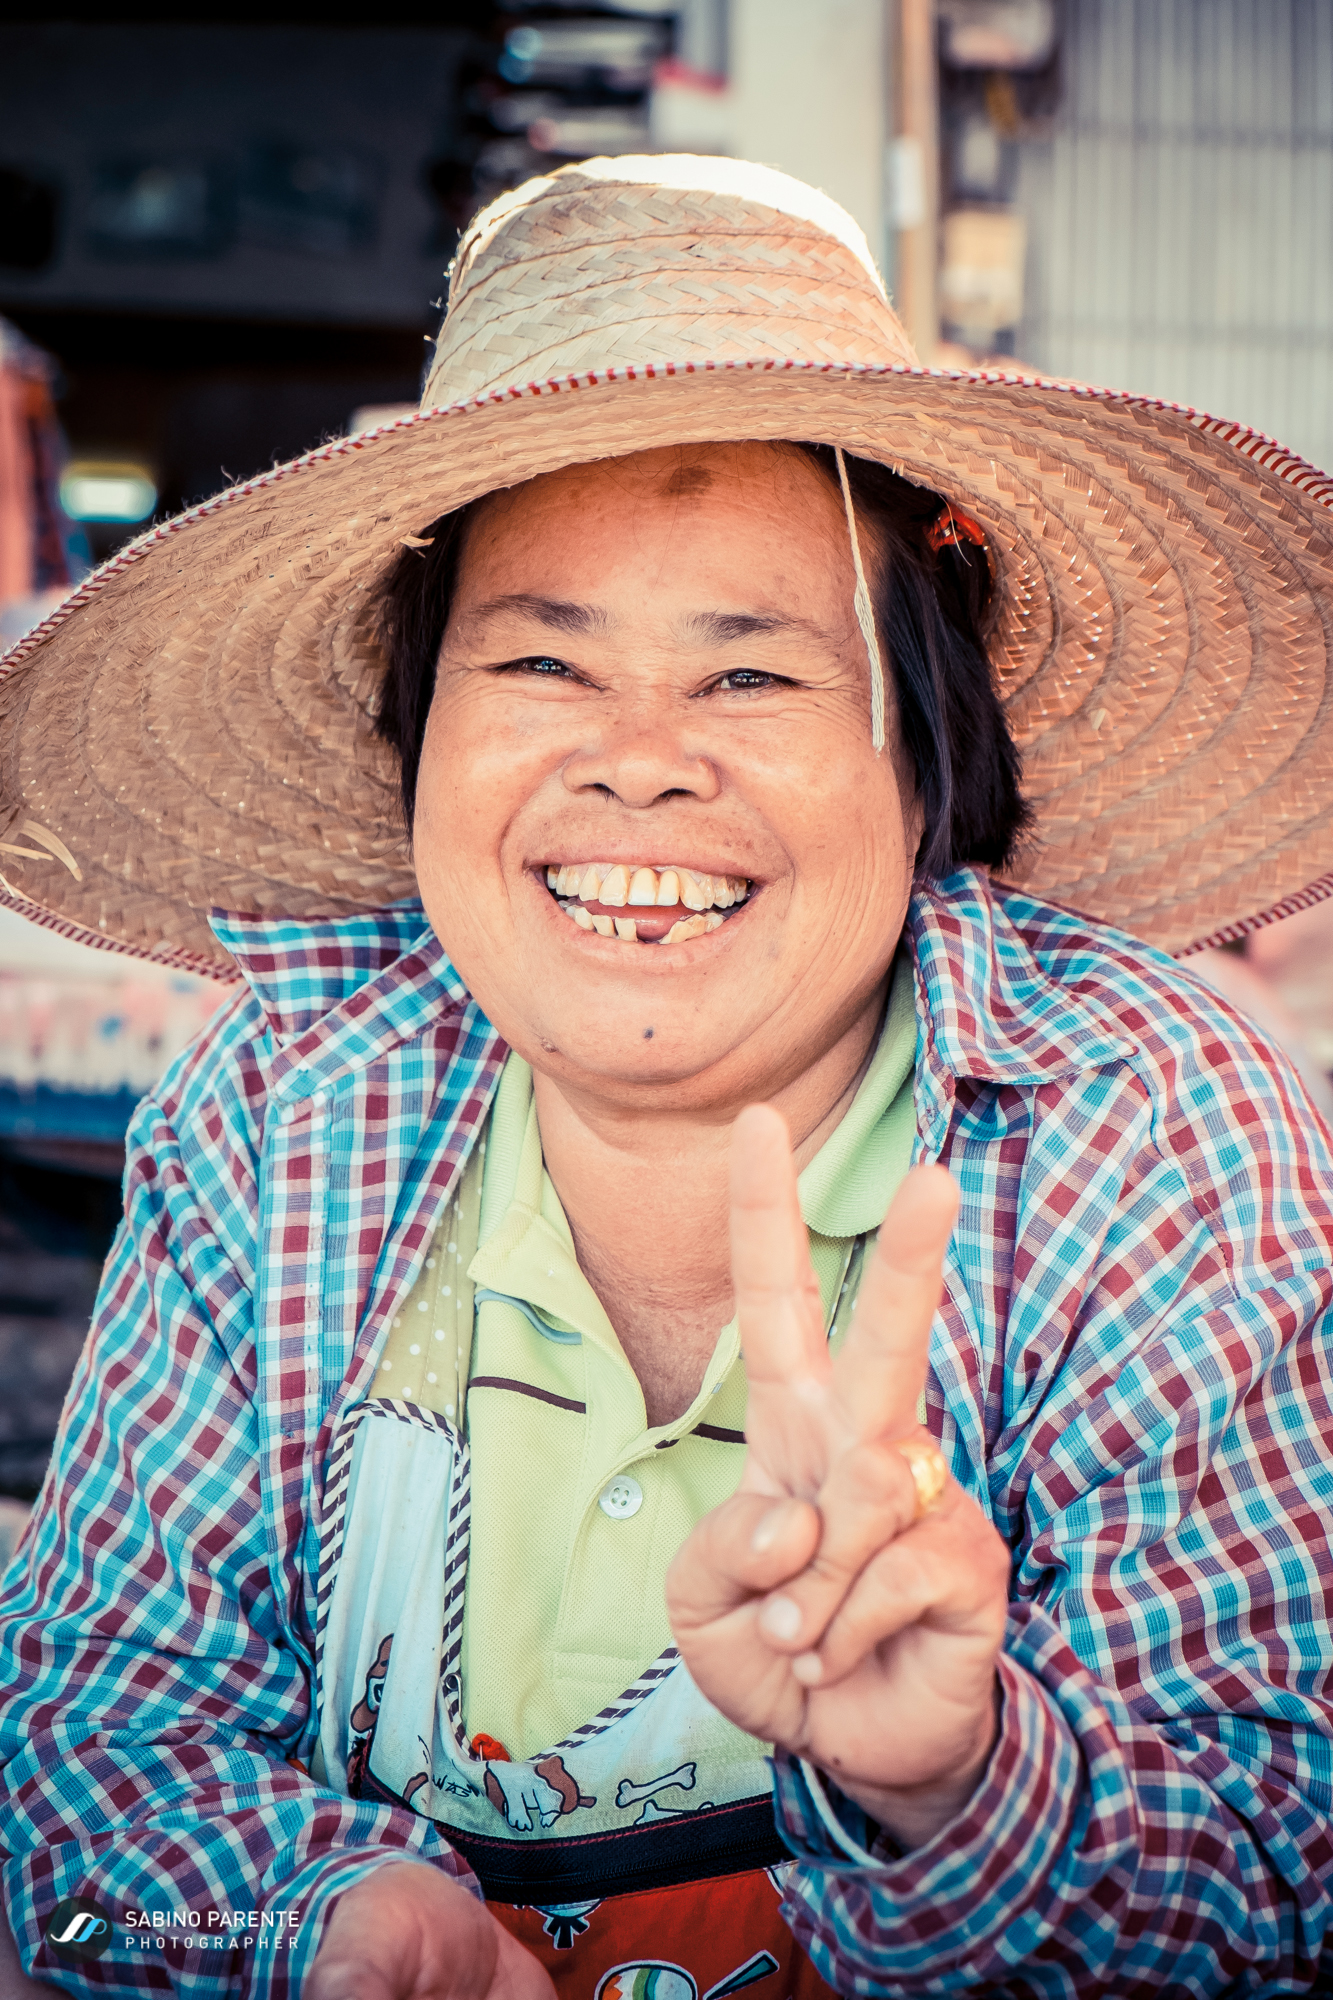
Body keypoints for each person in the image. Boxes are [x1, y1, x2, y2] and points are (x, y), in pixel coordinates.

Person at [0, 155, 1331, 2000]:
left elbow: (1279, 1893)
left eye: (751, 680)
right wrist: (310, 1935)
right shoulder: (285, 1103)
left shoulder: (1147, 1118)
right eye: (542, 660)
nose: (637, 768)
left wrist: (955, 1784)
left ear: (928, 754)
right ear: (419, 739)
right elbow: (82, 1814)